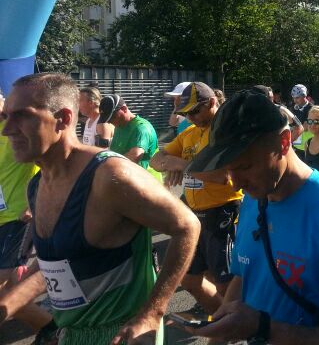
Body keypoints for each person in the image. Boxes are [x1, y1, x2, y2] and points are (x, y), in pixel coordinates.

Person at [0, 73, 200, 344]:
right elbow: (55, 266)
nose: (7, 129)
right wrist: (6, 306)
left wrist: (153, 312)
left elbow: (187, 226)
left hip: (121, 333)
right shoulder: (36, 186)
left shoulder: (109, 175)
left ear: (63, 118)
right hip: (71, 332)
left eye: (22, 116)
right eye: (7, 117)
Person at [184, 89, 319, 344]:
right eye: (228, 169)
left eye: (245, 166)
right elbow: (244, 276)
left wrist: (264, 329)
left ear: (284, 142)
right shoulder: (253, 199)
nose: (235, 183)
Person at [150, 83, 242, 313]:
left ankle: (235, 322)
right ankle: (221, 318)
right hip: (194, 213)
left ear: (212, 102)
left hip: (223, 211)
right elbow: (155, 160)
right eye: (186, 113)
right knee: (189, 279)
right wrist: (172, 164)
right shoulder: (189, 133)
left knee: (226, 284)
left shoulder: (225, 131)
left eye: (195, 111)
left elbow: (222, 176)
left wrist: (182, 165)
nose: (190, 117)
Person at [0, 89, 53, 336]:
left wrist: (34, 203)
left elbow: (50, 164)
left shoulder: (19, 128)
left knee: (3, 290)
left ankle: (52, 330)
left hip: (16, 218)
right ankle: (51, 331)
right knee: (11, 294)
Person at [98, 94, 158, 170]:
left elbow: (135, 156)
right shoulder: (119, 125)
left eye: (113, 117)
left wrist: (109, 162)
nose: (111, 122)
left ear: (124, 109)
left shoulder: (141, 128)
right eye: (108, 120)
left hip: (145, 176)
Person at [290, 84, 313, 160]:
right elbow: (290, 124)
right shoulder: (294, 108)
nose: (295, 100)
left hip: (308, 146)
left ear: (304, 95)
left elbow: (304, 128)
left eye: (297, 97)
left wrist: (293, 127)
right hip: (296, 145)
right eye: (293, 98)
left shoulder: (311, 108)